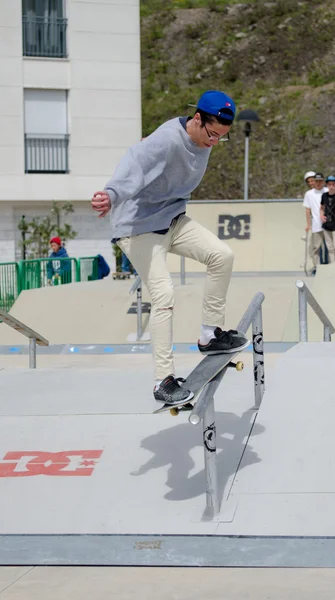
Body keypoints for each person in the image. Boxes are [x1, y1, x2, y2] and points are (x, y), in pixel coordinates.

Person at [91, 90, 249, 407]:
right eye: (213, 134)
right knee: (163, 294)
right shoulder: (167, 139)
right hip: (137, 227)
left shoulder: (205, 139)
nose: (214, 142)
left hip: (171, 219)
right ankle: (163, 381)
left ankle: (209, 335)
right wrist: (112, 194)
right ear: (197, 118)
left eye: (222, 137)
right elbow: (134, 161)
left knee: (222, 255)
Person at [303, 173, 328, 272]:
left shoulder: (326, 191)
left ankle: (328, 266)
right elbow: (307, 210)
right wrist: (309, 224)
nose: (312, 183)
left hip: (328, 223)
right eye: (309, 182)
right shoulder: (309, 194)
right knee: (316, 247)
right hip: (316, 224)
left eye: (313, 180)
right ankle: (317, 267)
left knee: (328, 247)